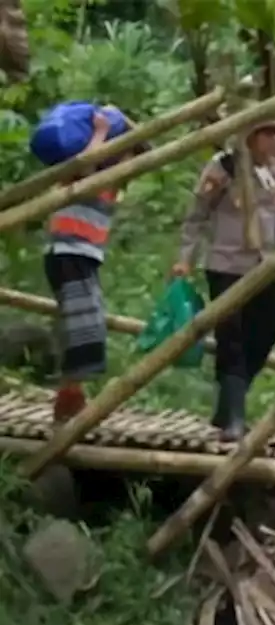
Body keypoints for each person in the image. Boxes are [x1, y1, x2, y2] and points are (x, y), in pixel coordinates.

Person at [172, 118, 275, 441]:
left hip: (265, 264)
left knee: (264, 334)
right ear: (250, 137)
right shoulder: (224, 166)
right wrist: (184, 258)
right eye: (268, 133)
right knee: (231, 341)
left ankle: (228, 404)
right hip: (227, 264)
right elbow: (197, 215)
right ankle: (234, 418)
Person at [45, 109, 128, 422]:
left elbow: (141, 153)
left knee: (85, 325)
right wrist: (100, 132)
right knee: (83, 325)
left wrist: (126, 136)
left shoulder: (112, 179)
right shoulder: (77, 173)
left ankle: (71, 394)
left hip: (84, 255)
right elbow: (87, 161)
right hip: (67, 252)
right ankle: (69, 399)